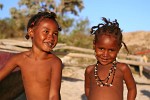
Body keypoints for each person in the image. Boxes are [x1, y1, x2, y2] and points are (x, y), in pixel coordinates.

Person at [0, 11, 62, 100]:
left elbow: (54, 95)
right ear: (31, 32)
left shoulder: (55, 62)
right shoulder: (19, 59)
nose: (51, 37)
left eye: (55, 34)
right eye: (46, 31)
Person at [84, 17, 137, 100]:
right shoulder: (90, 70)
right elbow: (87, 89)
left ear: (118, 48)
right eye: (101, 49)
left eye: (111, 50)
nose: (105, 54)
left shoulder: (122, 68)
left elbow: (132, 89)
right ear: (94, 45)